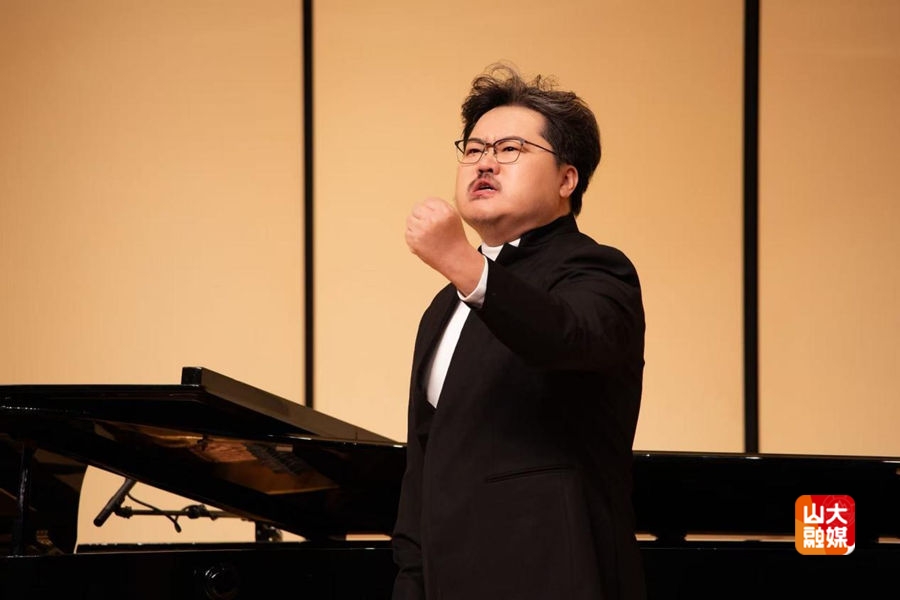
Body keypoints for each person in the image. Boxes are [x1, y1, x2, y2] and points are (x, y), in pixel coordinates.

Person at [393, 62, 646, 600]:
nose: (485, 162)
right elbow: (423, 471)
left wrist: (464, 264)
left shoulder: (598, 271)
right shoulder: (445, 305)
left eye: (510, 149)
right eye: (473, 149)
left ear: (566, 179)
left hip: (554, 577)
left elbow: (566, 336)